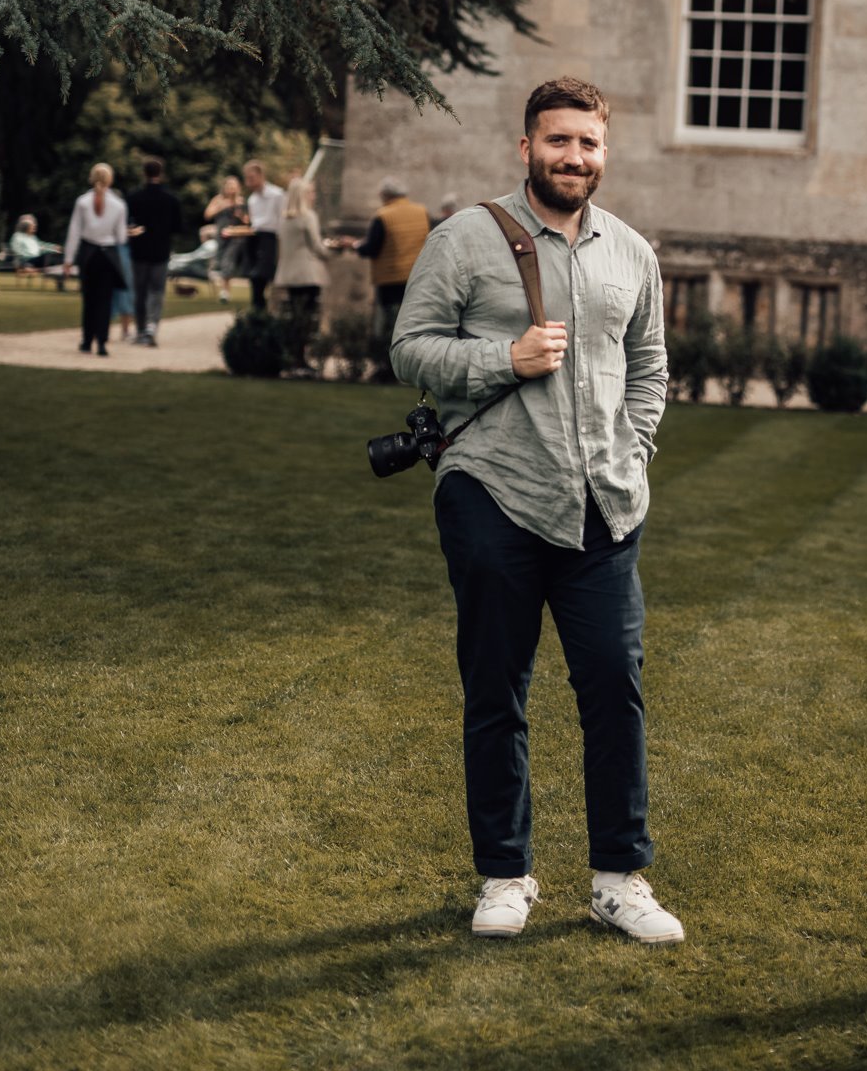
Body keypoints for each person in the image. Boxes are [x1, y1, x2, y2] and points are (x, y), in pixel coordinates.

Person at [392, 77, 679, 944]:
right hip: (494, 493)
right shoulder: (465, 240)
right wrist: (501, 359)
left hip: (604, 511)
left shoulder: (631, 252)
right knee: (496, 691)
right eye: (557, 141)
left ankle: (618, 879)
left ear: (604, 152)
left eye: (587, 143)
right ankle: (504, 875)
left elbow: (650, 367)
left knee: (613, 692)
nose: (573, 157)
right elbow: (409, 350)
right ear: (526, 149)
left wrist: (632, 451)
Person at [351, 177, 430, 380]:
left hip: (390, 278)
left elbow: (372, 248)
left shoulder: (383, 216)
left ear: (386, 195)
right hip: (415, 276)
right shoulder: (422, 212)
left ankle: (387, 367)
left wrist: (354, 246)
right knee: (412, 324)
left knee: (389, 326)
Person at [64, 162, 129, 356]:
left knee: (89, 299)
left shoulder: (82, 202)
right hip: (108, 255)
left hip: (88, 254)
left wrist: (68, 260)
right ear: (110, 180)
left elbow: (74, 232)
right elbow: (121, 238)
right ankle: (102, 342)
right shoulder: (118, 204)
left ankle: (86, 340)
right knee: (105, 300)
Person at [272, 175, 334, 354]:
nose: (313, 196)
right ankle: (302, 352)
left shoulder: (284, 219)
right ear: (303, 195)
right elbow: (316, 246)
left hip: (289, 272)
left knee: (295, 314)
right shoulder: (308, 217)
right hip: (307, 273)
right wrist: (331, 251)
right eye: (311, 192)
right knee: (308, 316)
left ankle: (294, 352)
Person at [125, 156, 183, 346]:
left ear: (144, 173)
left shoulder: (134, 197)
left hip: (138, 252)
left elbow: (127, 225)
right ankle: (152, 327)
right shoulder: (171, 199)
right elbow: (177, 227)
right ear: (161, 174)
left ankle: (141, 329)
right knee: (157, 291)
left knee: (139, 292)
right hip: (161, 252)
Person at [242, 160, 285, 310]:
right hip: (255, 237)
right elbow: (254, 223)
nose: (249, 182)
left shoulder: (276, 194)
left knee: (262, 274)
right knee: (254, 276)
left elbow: (281, 219)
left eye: (251, 177)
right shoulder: (252, 200)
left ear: (260, 175)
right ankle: (258, 308)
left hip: (270, 238)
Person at [203, 174, 247, 302]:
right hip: (221, 236)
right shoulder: (218, 200)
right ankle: (225, 290)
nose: (231, 188)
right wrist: (224, 206)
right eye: (229, 186)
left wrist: (240, 215)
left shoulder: (241, 202)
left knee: (228, 261)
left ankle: (225, 292)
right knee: (221, 261)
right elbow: (207, 214)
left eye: (234, 186)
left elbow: (247, 220)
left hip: (235, 237)